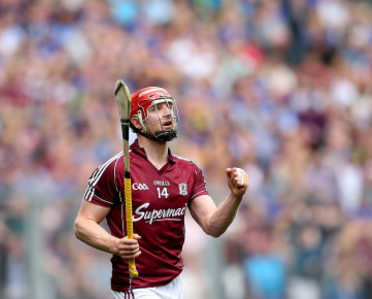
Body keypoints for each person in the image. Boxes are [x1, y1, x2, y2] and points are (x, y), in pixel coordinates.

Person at [74, 86, 248, 298]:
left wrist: (235, 197)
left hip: (175, 284)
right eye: (157, 108)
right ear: (137, 122)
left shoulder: (188, 170)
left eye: (169, 106)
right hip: (136, 286)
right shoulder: (117, 169)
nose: (167, 113)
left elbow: (213, 225)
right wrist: (115, 244)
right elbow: (83, 224)